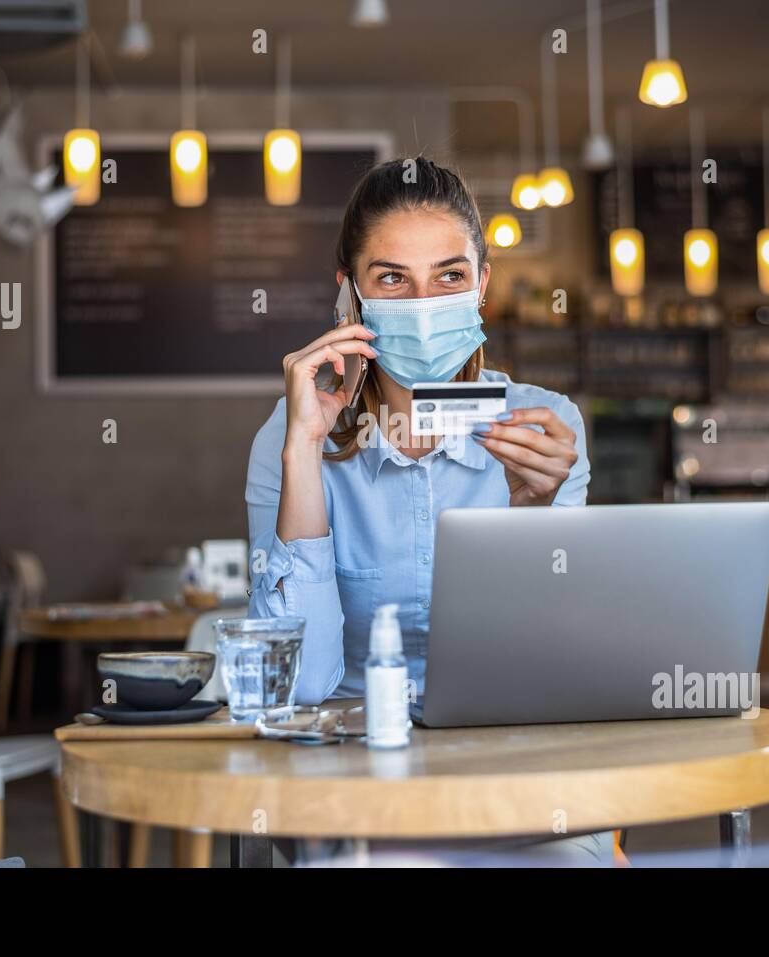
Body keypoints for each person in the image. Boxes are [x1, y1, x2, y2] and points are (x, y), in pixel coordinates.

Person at [245, 157, 609, 865]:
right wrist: (303, 455)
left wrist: (533, 518)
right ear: (348, 299)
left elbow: (548, 673)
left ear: (481, 284)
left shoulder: (545, 427)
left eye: (447, 276)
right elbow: (302, 683)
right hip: (349, 778)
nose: (423, 303)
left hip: (513, 769)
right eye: (392, 279)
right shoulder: (288, 436)